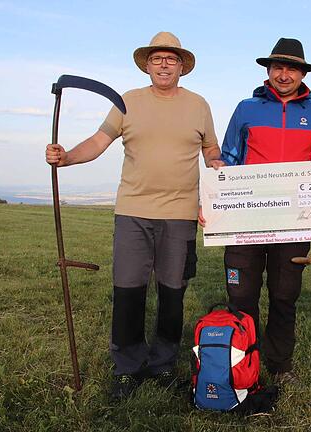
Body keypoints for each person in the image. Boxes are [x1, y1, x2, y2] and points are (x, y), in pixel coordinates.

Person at [45, 32, 220, 400]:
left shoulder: (199, 105)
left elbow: (211, 150)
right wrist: (66, 157)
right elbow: (97, 141)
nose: (163, 64)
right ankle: (127, 367)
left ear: (182, 66)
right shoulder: (127, 102)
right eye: (157, 59)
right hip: (132, 213)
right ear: (147, 64)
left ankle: (164, 364)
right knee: (128, 292)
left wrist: (222, 176)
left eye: (170, 59)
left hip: (180, 215)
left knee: (173, 293)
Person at [204, 38, 311, 385]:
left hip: (294, 223)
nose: (284, 74)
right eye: (277, 67)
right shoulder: (246, 109)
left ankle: (280, 364)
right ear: (268, 70)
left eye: (291, 68)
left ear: (303, 73)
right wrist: (214, 186)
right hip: (245, 221)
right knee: (241, 295)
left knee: (284, 294)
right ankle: (243, 359)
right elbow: (228, 157)